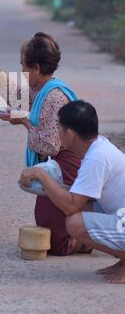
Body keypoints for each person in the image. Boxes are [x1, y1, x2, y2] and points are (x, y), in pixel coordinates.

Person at [0, 32, 82, 255]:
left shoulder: (53, 96)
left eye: (24, 68)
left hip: (65, 167)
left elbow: (50, 146)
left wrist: (23, 120)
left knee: (54, 243)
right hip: (56, 166)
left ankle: (81, 242)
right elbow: (20, 98)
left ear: (35, 67)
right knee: (44, 228)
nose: (22, 72)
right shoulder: (43, 88)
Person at [20, 101, 125, 284]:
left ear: (69, 134)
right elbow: (78, 196)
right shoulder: (97, 148)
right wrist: (51, 186)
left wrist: (40, 174)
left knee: (75, 223)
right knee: (82, 207)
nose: (57, 134)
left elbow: (70, 206)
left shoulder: (96, 158)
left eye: (59, 129)